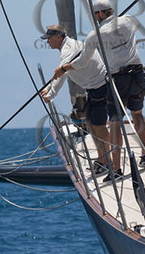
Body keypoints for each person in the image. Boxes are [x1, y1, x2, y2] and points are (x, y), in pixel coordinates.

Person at [38, 23, 120, 177]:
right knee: (90, 121)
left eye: (49, 38)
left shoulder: (69, 49)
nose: (47, 41)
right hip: (94, 88)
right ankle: (103, 160)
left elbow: (62, 72)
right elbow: (62, 71)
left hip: (100, 86)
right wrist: (48, 89)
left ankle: (109, 162)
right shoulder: (68, 47)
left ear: (57, 37)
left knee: (98, 125)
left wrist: (51, 94)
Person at [89, 0, 145, 169]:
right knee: (137, 113)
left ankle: (116, 168)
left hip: (118, 78)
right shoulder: (128, 20)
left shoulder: (97, 34)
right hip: (137, 73)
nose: (95, 17)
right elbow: (134, 26)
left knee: (115, 121)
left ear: (101, 13)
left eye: (95, 14)